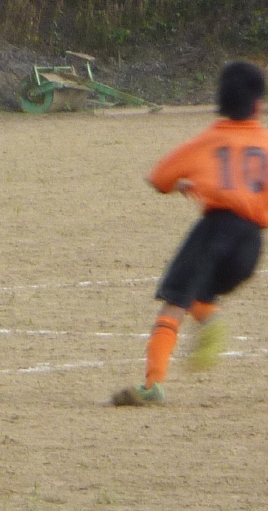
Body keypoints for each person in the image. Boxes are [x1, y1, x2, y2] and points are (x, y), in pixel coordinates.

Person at [113, 60, 268, 406]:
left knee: (175, 301)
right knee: (199, 290)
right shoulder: (265, 142)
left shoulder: (210, 139)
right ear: (258, 106)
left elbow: (159, 178)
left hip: (215, 231)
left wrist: (182, 185)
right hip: (251, 244)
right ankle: (209, 316)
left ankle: (153, 384)